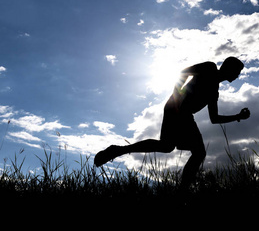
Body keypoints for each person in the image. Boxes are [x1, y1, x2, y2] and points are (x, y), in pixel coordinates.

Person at [94, 56, 250, 190]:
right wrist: (177, 96)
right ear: (229, 68)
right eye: (237, 71)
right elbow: (184, 72)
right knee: (199, 152)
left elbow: (214, 119)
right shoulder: (209, 67)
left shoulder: (214, 92)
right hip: (176, 109)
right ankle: (183, 190)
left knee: (166, 146)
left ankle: (117, 150)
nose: (237, 75)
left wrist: (237, 116)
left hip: (182, 113)